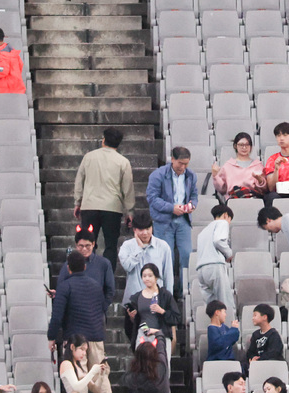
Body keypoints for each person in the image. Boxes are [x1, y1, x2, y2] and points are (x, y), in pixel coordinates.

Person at [74, 127, 136, 266]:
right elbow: (128, 188)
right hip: (112, 208)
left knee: (88, 243)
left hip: (89, 206)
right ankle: (107, 278)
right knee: (111, 245)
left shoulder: (89, 157)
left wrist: (78, 202)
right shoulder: (123, 161)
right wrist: (129, 211)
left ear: (104, 140)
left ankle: (89, 273)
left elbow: (79, 181)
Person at [49, 250, 112, 377]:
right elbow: (100, 307)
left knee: (78, 379)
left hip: (75, 339)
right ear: (84, 267)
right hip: (96, 336)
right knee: (101, 379)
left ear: (68, 268)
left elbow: (57, 317)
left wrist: (52, 337)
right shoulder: (95, 286)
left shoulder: (65, 287)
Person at [146, 147, 198, 293]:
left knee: (186, 255)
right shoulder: (158, 175)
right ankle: (165, 291)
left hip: (183, 220)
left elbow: (194, 195)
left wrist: (192, 205)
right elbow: (152, 198)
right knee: (165, 257)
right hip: (164, 220)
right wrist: (171, 208)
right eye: (180, 163)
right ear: (172, 160)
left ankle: (184, 291)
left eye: (186, 164)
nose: (183, 167)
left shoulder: (191, 175)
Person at [124, 263, 179, 358]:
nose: (147, 278)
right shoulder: (137, 297)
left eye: (150, 276)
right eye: (144, 276)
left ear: (156, 277)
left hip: (161, 335)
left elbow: (176, 318)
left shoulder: (165, 295)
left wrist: (162, 311)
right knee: (142, 366)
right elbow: (134, 322)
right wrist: (132, 317)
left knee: (162, 366)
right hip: (143, 334)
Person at [118, 217, 174, 304]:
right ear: (134, 230)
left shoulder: (163, 246)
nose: (145, 233)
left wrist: (169, 300)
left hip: (156, 300)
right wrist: (139, 248)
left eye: (148, 229)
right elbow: (127, 266)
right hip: (133, 300)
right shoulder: (127, 246)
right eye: (141, 229)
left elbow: (168, 275)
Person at [57, 229, 116, 308]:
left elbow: (110, 290)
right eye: (81, 246)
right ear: (76, 245)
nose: (84, 249)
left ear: (93, 244)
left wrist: (102, 308)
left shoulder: (104, 264)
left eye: (87, 245)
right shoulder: (69, 264)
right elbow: (61, 285)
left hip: (96, 311)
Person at [196, 204, 236, 319]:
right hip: (214, 266)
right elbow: (218, 240)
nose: (228, 223)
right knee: (225, 303)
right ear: (225, 215)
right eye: (229, 220)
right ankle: (229, 331)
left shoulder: (203, 231)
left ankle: (214, 331)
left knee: (211, 307)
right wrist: (228, 254)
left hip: (201, 270)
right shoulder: (222, 223)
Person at [211, 132, 266, 198]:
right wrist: (215, 175)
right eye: (241, 145)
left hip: (253, 198)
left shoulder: (258, 165)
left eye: (247, 145)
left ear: (251, 147)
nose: (244, 147)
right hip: (233, 198)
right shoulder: (228, 166)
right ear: (235, 146)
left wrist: (260, 180)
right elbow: (222, 189)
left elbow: (264, 190)